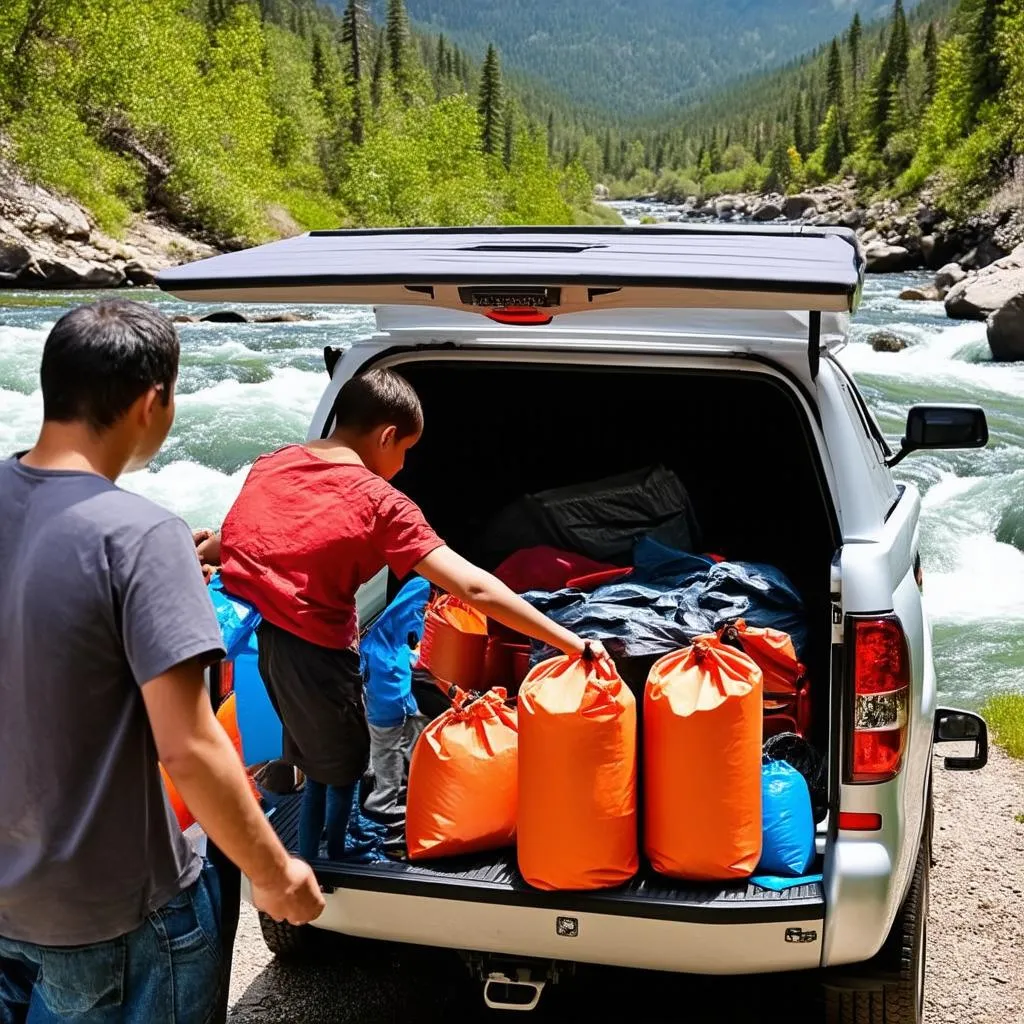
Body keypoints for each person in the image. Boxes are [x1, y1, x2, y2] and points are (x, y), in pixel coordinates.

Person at [0, 300, 323, 1024]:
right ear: (154, 401)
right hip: (109, 915)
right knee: (208, 862)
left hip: (9, 891)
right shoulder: (144, 536)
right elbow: (188, 745)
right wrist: (276, 875)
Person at [204, 368, 609, 861]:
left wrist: (211, 548)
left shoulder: (275, 464)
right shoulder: (381, 503)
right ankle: (335, 857)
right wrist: (572, 641)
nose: (401, 466)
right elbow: (472, 584)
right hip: (318, 656)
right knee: (345, 763)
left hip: (272, 645)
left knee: (316, 759)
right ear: (387, 436)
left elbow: (254, 536)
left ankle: (329, 844)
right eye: (405, 452)